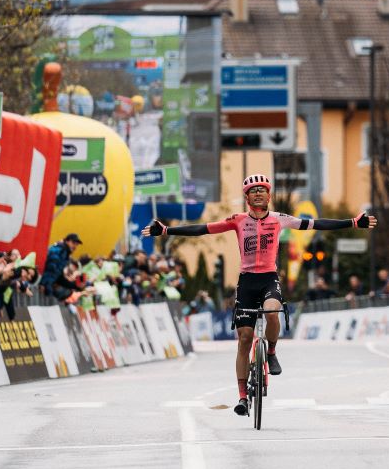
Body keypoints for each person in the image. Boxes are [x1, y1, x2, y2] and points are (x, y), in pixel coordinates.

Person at [143, 173, 376, 417]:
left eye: (262, 189)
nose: (258, 193)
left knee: (273, 310)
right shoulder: (238, 220)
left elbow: (316, 224)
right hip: (246, 281)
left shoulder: (279, 219)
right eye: (253, 190)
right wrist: (167, 230)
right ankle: (243, 397)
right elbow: (203, 229)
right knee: (244, 338)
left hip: (268, 279)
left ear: (269, 195)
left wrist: (352, 222)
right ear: (246, 197)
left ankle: (272, 353)